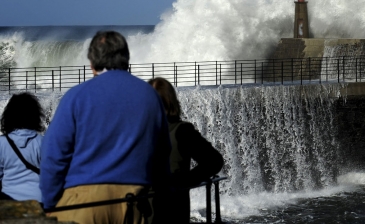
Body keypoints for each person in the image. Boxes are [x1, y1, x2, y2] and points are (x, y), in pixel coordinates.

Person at [40, 31, 171, 224]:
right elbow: (161, 155)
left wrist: (50, 203)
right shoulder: (149, 96)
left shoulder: (77, 96)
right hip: (132, 201)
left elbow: (53, 155)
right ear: (126, 58)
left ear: (92, 63)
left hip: (83, 202)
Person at [148, 77, 223, 224]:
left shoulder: (135, 131)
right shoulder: (181, 130)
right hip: (174, 210)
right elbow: (213, 161)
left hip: (143, 210)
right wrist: (183, 182)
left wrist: (181, 182)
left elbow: (214, 161)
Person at [0, 92, 44, 202]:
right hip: (39, 200)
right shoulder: (43, 142)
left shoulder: (1, 143)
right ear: (36, 116)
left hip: (9, 199)